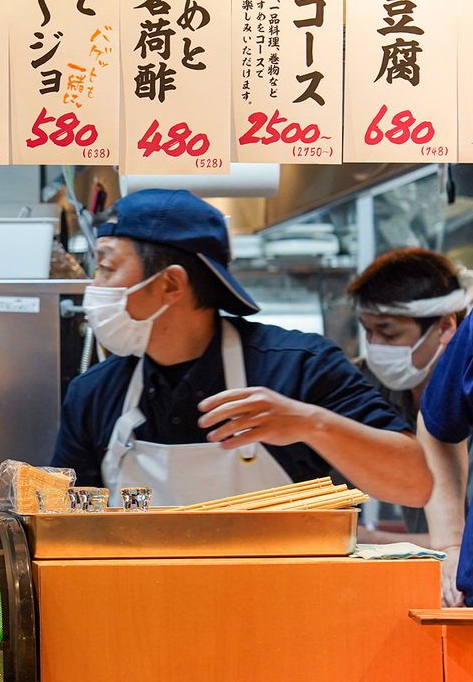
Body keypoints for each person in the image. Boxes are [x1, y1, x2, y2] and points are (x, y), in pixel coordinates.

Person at [50, 189, 431, 508]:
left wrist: (310, 423)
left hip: (288, 595)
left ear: (170, 284)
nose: (94, 287)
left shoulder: (298, 368)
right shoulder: (95, 393)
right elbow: (70, 521)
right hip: (138, 597)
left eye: (106, 268)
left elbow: (414, 485)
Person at [347, 249, 470, 605]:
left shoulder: (462, 387)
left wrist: (369, 540)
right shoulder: (366, 388)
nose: (375, 347)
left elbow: (463, 553)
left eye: (388, 332)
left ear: (447, 326)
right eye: (368, 332)